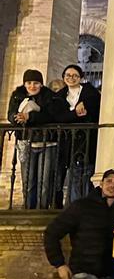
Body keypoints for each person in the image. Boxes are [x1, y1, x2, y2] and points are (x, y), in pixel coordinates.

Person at [51, 64, 101, 203]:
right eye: (68, 75)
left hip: (87, 139)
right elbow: (58, 117)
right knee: (72, 173)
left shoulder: (90, 94)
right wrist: (75, 114)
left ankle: (81, 205)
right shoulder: (59, 96)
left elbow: (93, 112)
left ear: (80, 77)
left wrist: (76, 115)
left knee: (85, 174)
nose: (71, 78)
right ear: (63, 77)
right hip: (68, 141)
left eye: (75, 76)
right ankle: (72, 206)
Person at [7, 69, 56, 209]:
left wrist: (31, 117)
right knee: (28, 180)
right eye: (29, 83)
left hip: (47, 141)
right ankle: (28, 206)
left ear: (41, 84)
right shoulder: (17, 96)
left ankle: (42, 208)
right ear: (24, 83)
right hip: (26, 141)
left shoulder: (49, 97)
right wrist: (16, 118)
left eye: (36, 83)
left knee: (44, 181)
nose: (32, 86)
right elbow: (10, 113)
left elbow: (51, 116)